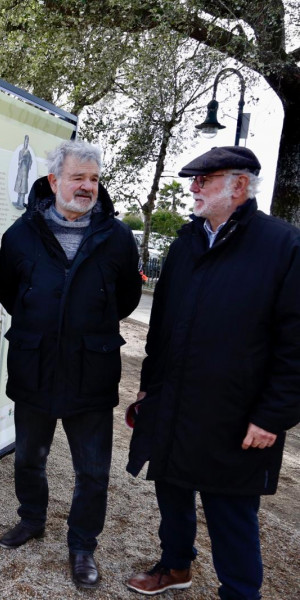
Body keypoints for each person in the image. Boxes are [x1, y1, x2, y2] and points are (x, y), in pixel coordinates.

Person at [125, 147, 300, 599]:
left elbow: (296, 345)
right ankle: (175, 566)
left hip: (237, 414)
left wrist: (272, 417)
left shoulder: (283, 245)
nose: (193, 189)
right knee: (172, 492)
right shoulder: (186, 242)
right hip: (175, 402)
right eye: (193, 180)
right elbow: (161, 327)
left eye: (204, 180)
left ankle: (240, 592)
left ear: (238, 186)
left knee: (230, 510)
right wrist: (148, 388)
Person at [0, 140, 141, 588]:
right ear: (54, 181)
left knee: (92, 471)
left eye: (94, 179)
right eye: (78, 178)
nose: (87, 187)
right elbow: (6, 288)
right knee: (28, 459)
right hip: (34, 364)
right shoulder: (21, 233)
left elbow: (128, 298)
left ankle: (82, 547)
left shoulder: (116, 237)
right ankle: (31, 518)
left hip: (91, 372)